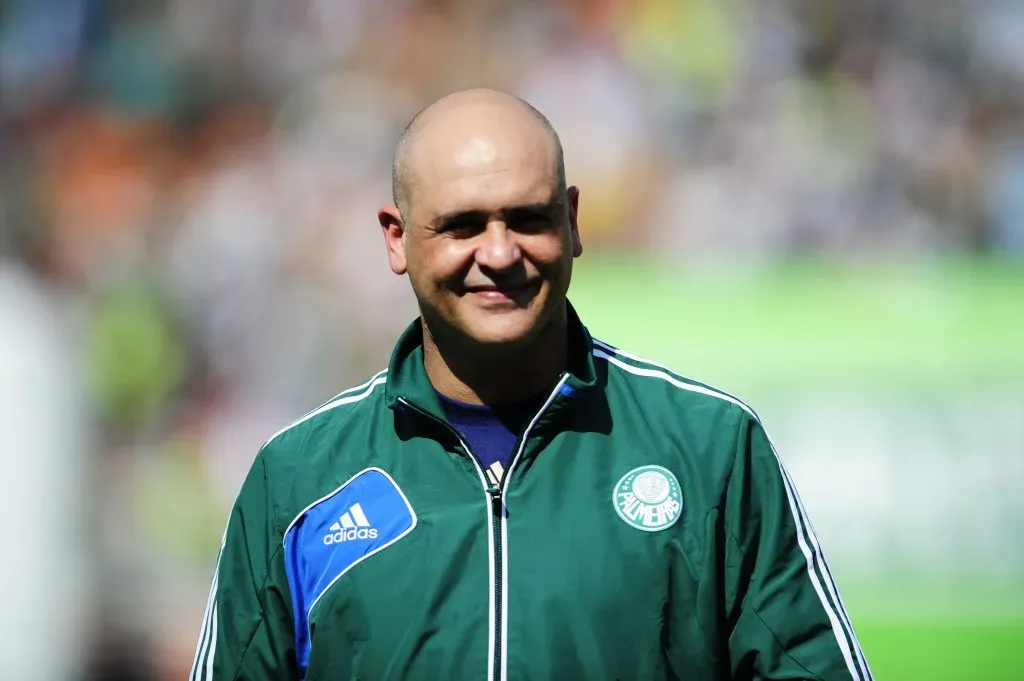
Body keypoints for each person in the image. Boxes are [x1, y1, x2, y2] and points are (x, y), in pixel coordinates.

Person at [190, 88, 873, 681]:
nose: (498, 252)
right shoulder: (298, 479)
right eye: (462, 225)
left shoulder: (710, 448)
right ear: (396, 239)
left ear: (572, 221)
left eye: (527, 218)